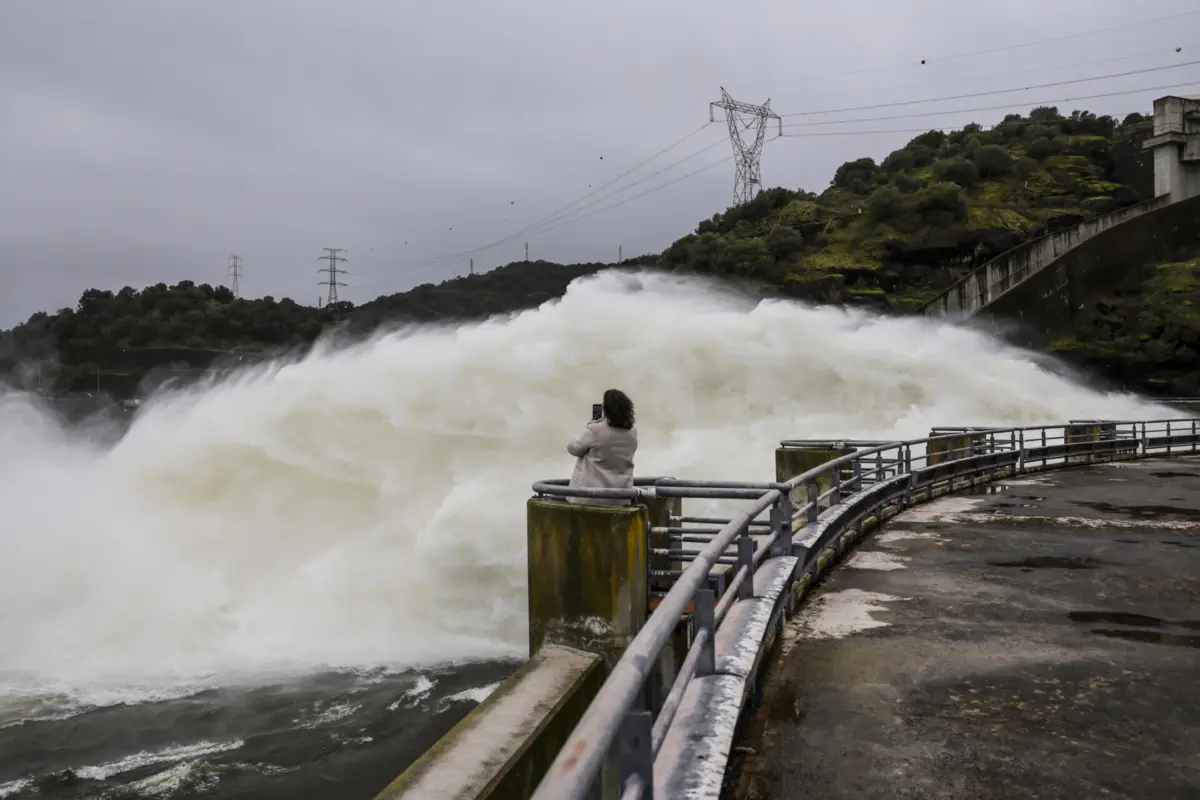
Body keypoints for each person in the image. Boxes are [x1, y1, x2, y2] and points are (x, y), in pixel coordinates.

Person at [566, 388, 638, 505]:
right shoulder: (632, 431)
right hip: (620, 497)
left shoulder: (595, 430)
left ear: (606, 410)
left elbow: (573, 448)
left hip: (589, 497)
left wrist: (588, 428)